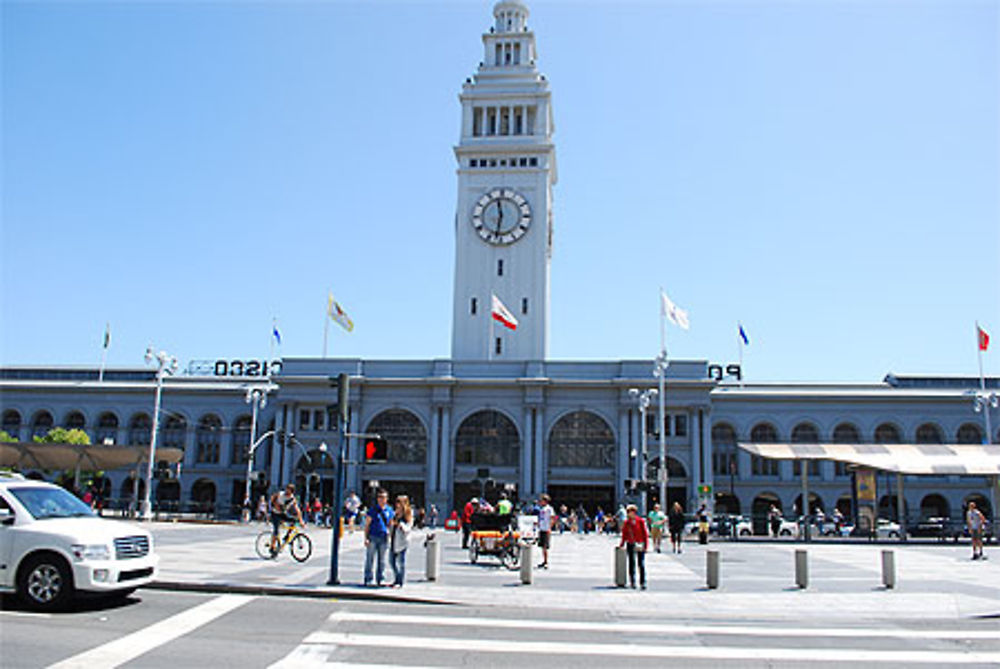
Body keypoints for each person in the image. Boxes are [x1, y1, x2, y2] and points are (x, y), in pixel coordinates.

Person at [363, 488, 394, 586]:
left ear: (387, 499)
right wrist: (366, 538)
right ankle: (368, 578)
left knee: (382, 560)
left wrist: (391, 536)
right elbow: (367, 525)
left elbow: (390, 524)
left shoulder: (389, 510)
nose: (382, 499)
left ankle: (381, 578)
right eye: (380, 497)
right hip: (373, 536)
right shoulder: (372, 510)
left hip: (384, 537)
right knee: (370, 559)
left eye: (384, 497)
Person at [620, 504, 649, 589]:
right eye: (628, 512)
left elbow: (645, 534)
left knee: (641, 563)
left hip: (640, 543)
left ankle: (643, 582)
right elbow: (624, 534)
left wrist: (646, 546)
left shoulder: (640, 521)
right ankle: (632, 581)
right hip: (631, 543)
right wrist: (622, 544)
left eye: (630, 512)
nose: (629, 514)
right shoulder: (627, 523)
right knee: (631, 563)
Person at [269, 484, 303, 554]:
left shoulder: (292, 498)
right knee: (276, 531)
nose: (287, 491)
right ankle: (272, 547)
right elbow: (275, 503)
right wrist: (276, 506)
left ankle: (287, 536)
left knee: (293, 520)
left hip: (282, 513)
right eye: (287, 489)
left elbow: (297, 509)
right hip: (275, 513)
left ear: (292, 491)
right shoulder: (281, 495)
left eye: (289, 490)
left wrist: (301, 520)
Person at [390, 494, 413, 587]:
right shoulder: (395, 513)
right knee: (391, 561)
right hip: (393, 538)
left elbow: (409, 526)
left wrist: (401, 525)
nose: (398, 504)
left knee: (401, 562)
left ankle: (400, 581)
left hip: (402, 540)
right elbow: (392, 523)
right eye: (397, 502)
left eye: (400, 502)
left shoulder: (408, 513)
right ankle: (397, 578)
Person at [536, 493, 554, 569]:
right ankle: (544, 561)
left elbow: (552, 518)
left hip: (546, 529)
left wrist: (550, 527)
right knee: (542, 546)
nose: (540, 502)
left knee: (545, 547)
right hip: (541, 528)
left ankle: (546, 562)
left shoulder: (549, 509)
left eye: (541, 500)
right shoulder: (541, 509)